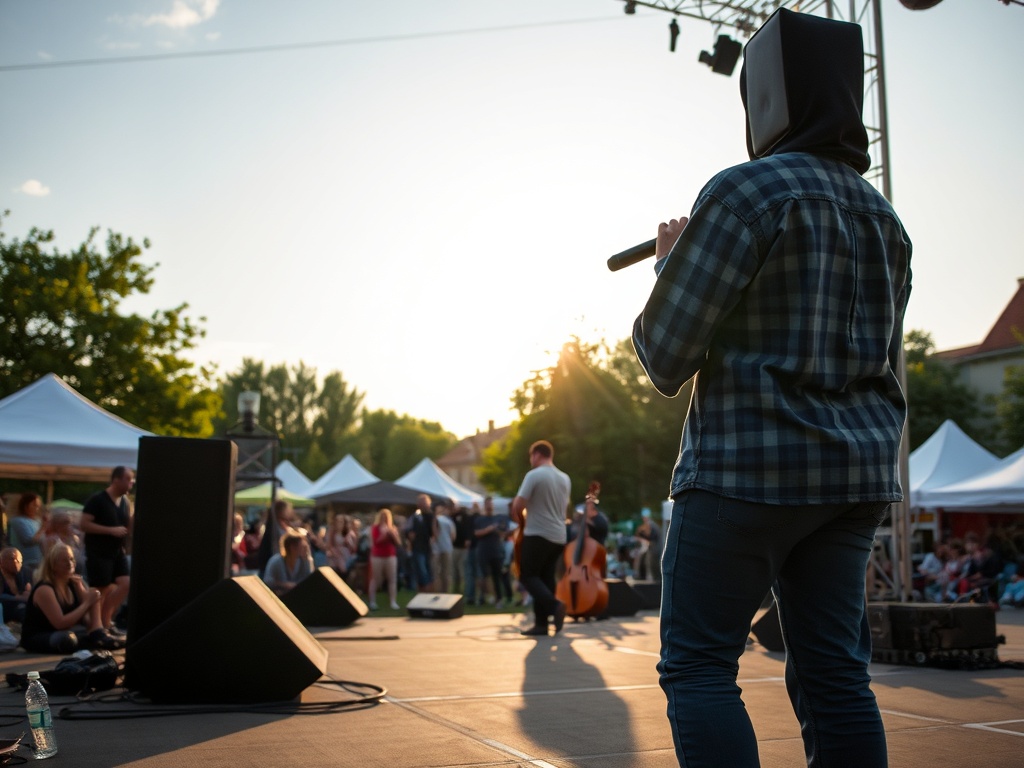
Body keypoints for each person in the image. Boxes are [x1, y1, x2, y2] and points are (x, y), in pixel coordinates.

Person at [630, 9, 911, 767]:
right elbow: (881, 357)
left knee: (698, 667)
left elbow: (662, 356)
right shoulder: (884, 218)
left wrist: (670, 262)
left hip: (743, 475)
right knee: (836, 675)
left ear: (766, 100)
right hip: (851, 480)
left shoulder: (744, 193)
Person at [511, 440, 571, 636]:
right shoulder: (565, 478)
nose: (531, 460)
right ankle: (541, 624)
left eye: (531, 456)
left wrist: (520, 522)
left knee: (527, 575)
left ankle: (555, 606)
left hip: (537, 533)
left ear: (537, 454)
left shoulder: (534, 475)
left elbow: (517, 506)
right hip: (559, 536)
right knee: (545, 578)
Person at [20, 543, 121, 653]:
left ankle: (98, 637)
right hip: (42, 635)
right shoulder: (45, 589)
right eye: (64, 560)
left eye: (71, 559)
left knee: (93, 594)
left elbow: (88, 621)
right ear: (53, 565)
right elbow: (60, 623)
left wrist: (88, 598)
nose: (70, 564)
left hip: (67, 630)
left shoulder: (75, 583)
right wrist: (86, 603)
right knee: (67, 639)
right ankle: (95, 642)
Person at [80, 466, 135, 636]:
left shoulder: (125, 502)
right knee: (101, 588)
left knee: (125, 583)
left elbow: (128, 527)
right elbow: (84, 524)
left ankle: (106, 619)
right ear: (116, 479)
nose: (131, 482)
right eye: (128, 478)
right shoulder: (98, 500)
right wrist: (110, 530)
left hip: (117, 551)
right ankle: (97, 626)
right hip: (99, 551)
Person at [474, 497, 513, 609]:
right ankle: (482, 597)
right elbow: (476, 533)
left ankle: (498, 598)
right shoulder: (480, 519)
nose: (489, 506)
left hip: (496, 551)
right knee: (482, 575)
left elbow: (504, 533)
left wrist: (499, 531)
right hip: (483, 551)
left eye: (490, 504)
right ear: (484, 505)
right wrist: (489, 529)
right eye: (487, 504)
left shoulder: (499, 518)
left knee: (497, 576)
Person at [367, 508, 401, 610]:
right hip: (377, 556)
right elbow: (376, 541)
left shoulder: (393, 528)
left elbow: (398, 543)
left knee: (392, 579)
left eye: (386, 517)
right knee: (376, 579)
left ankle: (393, 601)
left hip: (390, 555)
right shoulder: (375, 528)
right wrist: (384, 533)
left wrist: (393, 534)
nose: (384, 519)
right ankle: (372, 602)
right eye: (382, 517)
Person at [8, 492, 47, 572]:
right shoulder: (18, 521)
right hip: (26, 563)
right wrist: (43, 528)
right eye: (34, 505)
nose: (37, 508)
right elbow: (28, 540)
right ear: (26, 506)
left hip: (38, 563)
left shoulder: (37, 522)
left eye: (38, 506)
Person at [406, 494, 437, 593]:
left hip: (428, 548)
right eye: (421, 502)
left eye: (425, 502)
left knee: (428, 572)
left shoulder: (432, 517)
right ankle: (423, 594)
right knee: (421, 571)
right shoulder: (415, 516)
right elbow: (407, 529)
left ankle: (429, 593)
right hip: (417, 548)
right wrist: (409, 534)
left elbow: (435, 533)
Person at [0, 547, 32, 623]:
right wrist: (17, 598)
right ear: (3, 561)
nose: (18, 563)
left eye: (20, 560)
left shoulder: (24, 571)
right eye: (15, 560)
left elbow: (29, 589)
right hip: (6, 607)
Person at [432, 501, 456, 593]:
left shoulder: (448, 521)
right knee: (442, 573)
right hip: (440, 548)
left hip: (444, 548)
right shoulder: (444, 520)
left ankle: (443, 592)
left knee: (441, 573)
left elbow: (453, 535)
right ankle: (441, 592)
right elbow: (453, 536)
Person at [326, 514, 358, 579]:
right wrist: (336, 554)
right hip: (335, 557)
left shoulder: (349, 533)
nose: (339, 524)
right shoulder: (332, 532)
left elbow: (354, 548)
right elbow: (329, 545)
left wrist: (349, 543)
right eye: (338, 521)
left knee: (345, 574)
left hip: (345, 556)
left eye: (341, 522)